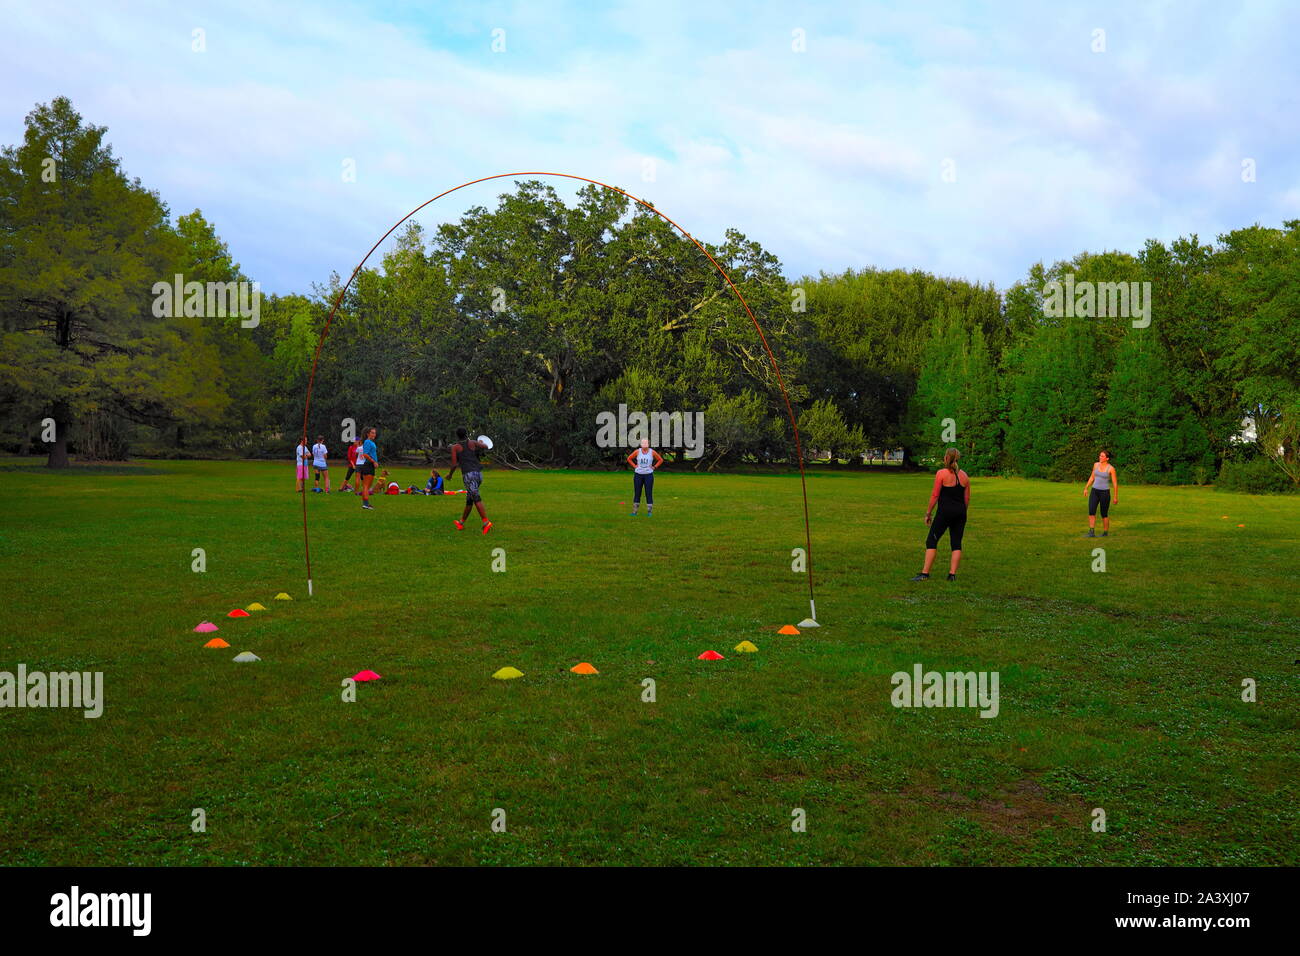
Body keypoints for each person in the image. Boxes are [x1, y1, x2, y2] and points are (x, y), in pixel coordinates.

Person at [911, 448, 970, 582]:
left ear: (946, 458)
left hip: (945, 513)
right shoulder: (964, 476)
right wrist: (961, 512)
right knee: (956, 543)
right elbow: (967, 499)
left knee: (931, 540)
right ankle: (952, 575)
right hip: (960, 513)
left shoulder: (941, 473)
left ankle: (925, 574)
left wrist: (928, 513)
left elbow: (935, 495)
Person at [446, 428, 492, 534]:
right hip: (479, 474)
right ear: (466, 434)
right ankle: (461, 522)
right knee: (470, 498)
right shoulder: (472, 442)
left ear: (457, 436)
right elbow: (486, 446)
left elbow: (454, 464)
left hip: (468, 475)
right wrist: (480, 443)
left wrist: (450, 475)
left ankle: (486, 522)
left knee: (475, 497)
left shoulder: (455, 447)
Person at [1084, 449, 1119, 537]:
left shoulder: (1111, 469)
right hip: (1094, 491)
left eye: (1102, 456)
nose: (1100, 457)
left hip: (1105, 493)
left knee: (1104, 513)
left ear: (1107, 458)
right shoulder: (1095, 465)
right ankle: (1091, 532)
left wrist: (1115, 497)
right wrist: (1086, 488)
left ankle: (1105, 532)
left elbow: (1115, 484)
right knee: (1091, 511)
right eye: (1100, 455)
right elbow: (1092, 477)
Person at [625, 438, 663, 516]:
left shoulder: (652, 452)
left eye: (646, 443)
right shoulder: (637, 451)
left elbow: (660, 460)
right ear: (641, 444)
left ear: (648, 444)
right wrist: (634, 466)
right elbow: (629, 458)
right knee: (637, 493)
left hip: (648, 475)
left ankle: (649, 512)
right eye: (643, 443)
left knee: (648, 493)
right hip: (638, 475)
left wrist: (654, 467)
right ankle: (634, 511)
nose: (644, 444)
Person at [356, 427, 379, 510]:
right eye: (372, 433)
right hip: (368, 465)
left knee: (368, 486)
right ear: (368, 434)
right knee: (366, 486)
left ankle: (366, 503)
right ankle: (365, 504)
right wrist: (373, 461)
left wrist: (375, 462)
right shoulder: (367, 442)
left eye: (374, 433)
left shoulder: (371, 442)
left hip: (371, 465)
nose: (374, 434)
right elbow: (365, 454)